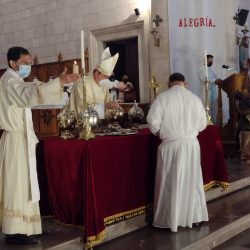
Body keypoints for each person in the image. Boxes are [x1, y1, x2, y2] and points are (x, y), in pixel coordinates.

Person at [0, 46, 79, 244]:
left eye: (30, 63)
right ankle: (14, 230)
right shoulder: (9, 81)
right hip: (15, 140)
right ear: (12, 63)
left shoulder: (17, 80)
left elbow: (33, 92)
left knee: (26, 184)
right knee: (17, 184)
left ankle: (26, 226)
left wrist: (58, 85)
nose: (29, 66)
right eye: (25, 63)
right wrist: (57, 82)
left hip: (23, 139)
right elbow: (27, 93)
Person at [147, 72, 208, 232]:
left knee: (169, 182)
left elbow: (153, 122)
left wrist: (162, 133)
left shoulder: (162, 98)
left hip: (170, 145)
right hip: (191, 145)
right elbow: (203, 124)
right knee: (192, 181)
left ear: (169, 84)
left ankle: (169, 220)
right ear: (185, 84)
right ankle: (193, 218)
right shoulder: (194, 99)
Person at [69, 47, 120, 119]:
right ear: (96, 74)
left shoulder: (104, 85)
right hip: (83, 125)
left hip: (100, 125)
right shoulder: (81, 83)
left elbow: (108, 106)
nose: (107, 80)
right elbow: (83, 109)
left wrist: (113, 108)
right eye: (105, 76)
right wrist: (105, 106)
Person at [198, 54, 219, 124]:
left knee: (214, 109)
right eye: (210, 61)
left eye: (212, 61)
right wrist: (214, 80)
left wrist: (219, 80)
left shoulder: (210, 69)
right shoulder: (201, 69)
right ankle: (208, 124)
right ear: (206, 60)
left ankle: (214, 123)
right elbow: (204, 79)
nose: (211, 62)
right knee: (207, 109)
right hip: (207, 92)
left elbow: (216, 77)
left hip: (213, 92)